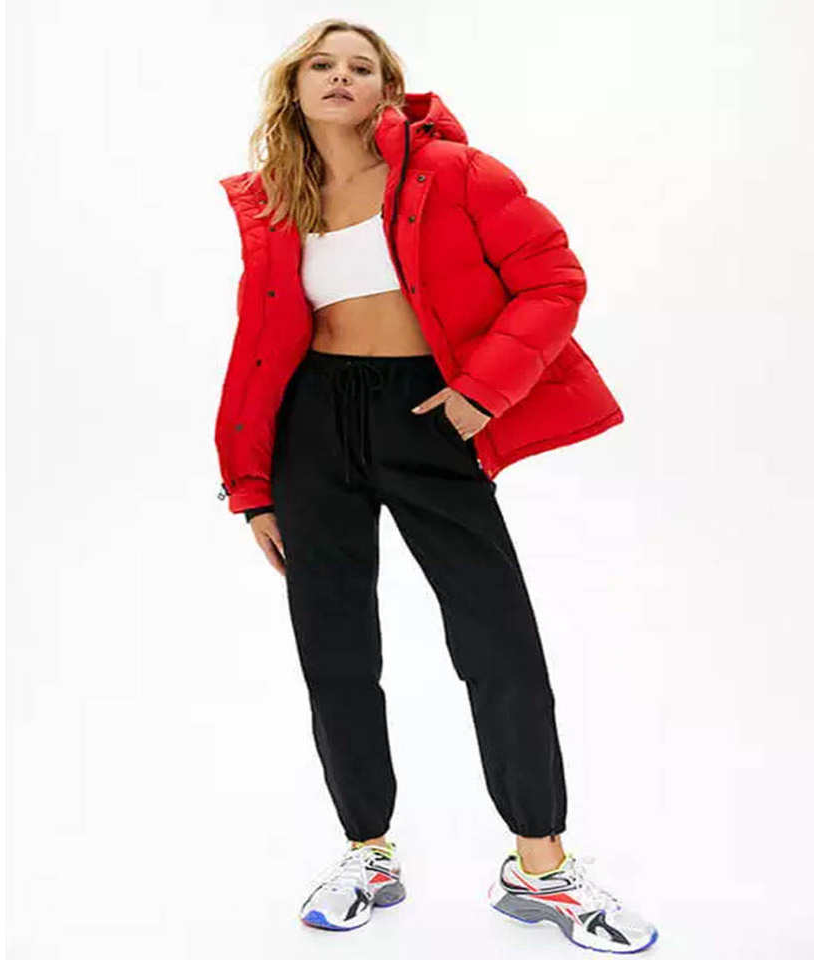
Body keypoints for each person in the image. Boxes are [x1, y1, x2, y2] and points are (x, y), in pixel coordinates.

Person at [214, 18, 657, 953]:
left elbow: (553, 279)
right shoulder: (276, 198)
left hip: (430, 413)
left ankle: (541, 866)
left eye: (361, 66)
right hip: (312, 428)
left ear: (387, 87)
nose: (341, 76)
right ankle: (367, 853)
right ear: (294, 86)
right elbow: (259, 344)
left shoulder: (452, 173)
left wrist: (480, 393)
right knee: (334, 648)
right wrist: (250, 484)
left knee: (497, 637)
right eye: (322, 64)